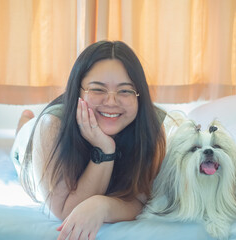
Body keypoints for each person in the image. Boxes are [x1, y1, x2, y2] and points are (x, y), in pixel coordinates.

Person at [11, 40, 167, 240]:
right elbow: (66, 212)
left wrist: (103, 206)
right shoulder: (52, 125)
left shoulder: (153, 127)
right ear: (77, 90)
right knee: (23, 137)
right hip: (28, 150)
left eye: (125, 90)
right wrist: (104, 150)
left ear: (139, 95)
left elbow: (141, 200)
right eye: (97, 89)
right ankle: (25, 121)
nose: (111, 101)